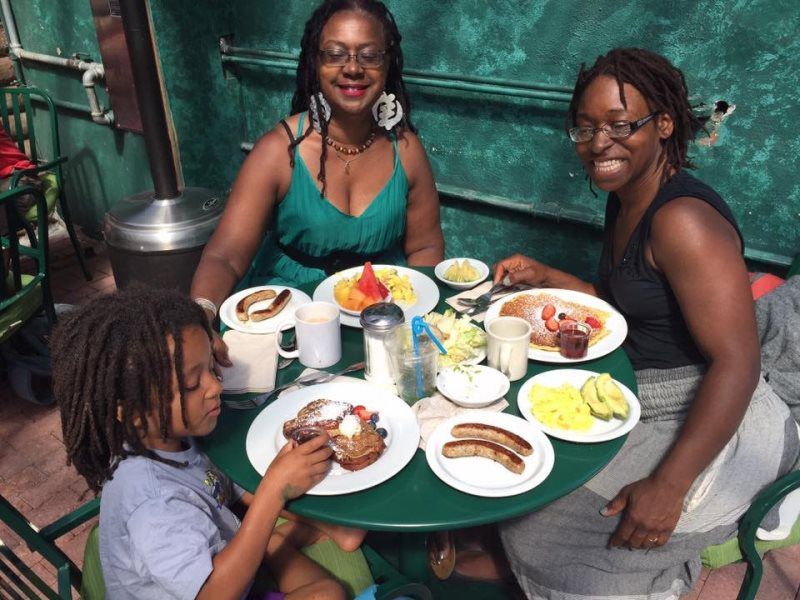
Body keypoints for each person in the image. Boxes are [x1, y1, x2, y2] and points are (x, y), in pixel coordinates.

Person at [493, 48, 799, 599]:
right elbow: (622, 305)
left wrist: (668, 485)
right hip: (639, 391)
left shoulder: (682, 221)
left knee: (542, 533)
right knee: (522, 473)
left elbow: (738, 359)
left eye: (618, 125)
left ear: (662, 125)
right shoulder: (628, 193)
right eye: (585, 129)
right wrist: (548, 274)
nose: (598, 144)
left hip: (702, 405)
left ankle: (702, 549)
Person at [51, 286, 347, 600]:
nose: (215, 386)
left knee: (297, 559)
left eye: (211, 368)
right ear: (134, 411)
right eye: (193, 383)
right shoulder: (154, 507)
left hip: (218, 555)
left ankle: (330, 534)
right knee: (328, 595)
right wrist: (275, 489)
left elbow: (224, 486)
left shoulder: (166, 437)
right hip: (216, 589)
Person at [190, 0, 444, 365]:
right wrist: (200, 314)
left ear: (388, 65)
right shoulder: (278, 152)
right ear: (315, 63)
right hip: (290, 322)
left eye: (369, 55)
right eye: (335, 54)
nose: (353, 68)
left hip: (382, 324)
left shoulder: (406, 149)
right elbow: (224, 256)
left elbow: (425, 248)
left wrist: (415, 316)